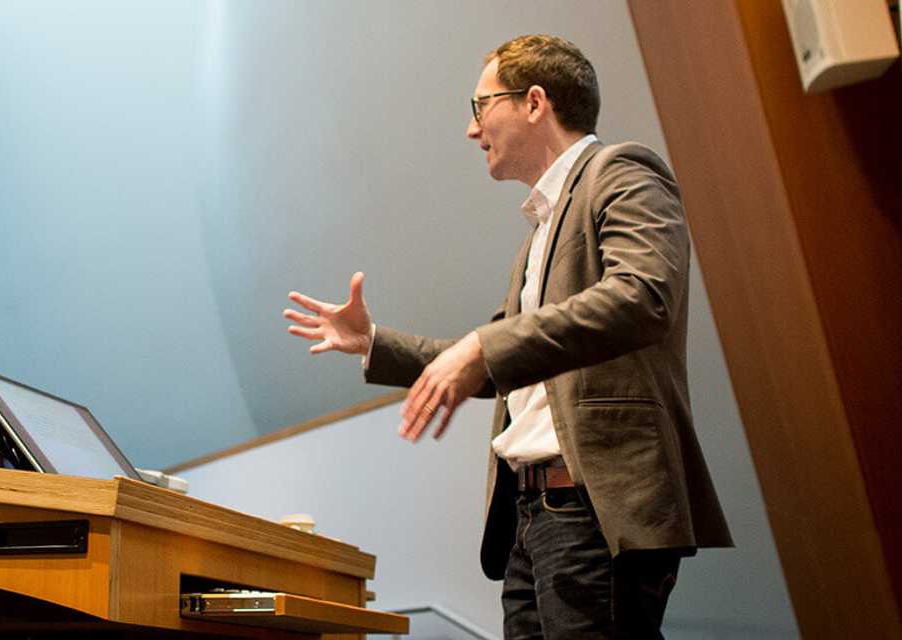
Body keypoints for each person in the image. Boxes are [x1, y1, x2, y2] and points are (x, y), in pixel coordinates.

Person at [283, 35, 731, 637]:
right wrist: (371, 343)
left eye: (480, 107)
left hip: (595, 507)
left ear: (535, 101)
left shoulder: (622, 171)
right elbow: (492, 359)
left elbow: (642, 296)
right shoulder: (536, 237)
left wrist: (484, 348)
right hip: (531, 518)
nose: (472, 131)